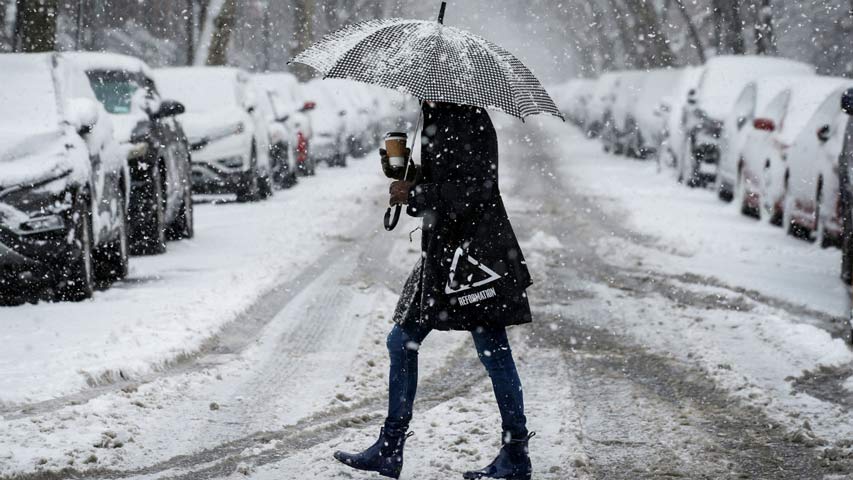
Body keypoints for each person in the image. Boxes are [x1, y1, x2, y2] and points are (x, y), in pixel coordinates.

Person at [334, 102, 534, 480]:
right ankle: (390, 448)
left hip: (473, 257)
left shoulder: (464, 116)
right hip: (444, 252)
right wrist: (408, 172)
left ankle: (516, 454)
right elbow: (451, 178)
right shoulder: (438, 114)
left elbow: (475, 188)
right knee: (401, 340)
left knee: (493, 351)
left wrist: (416, 193)